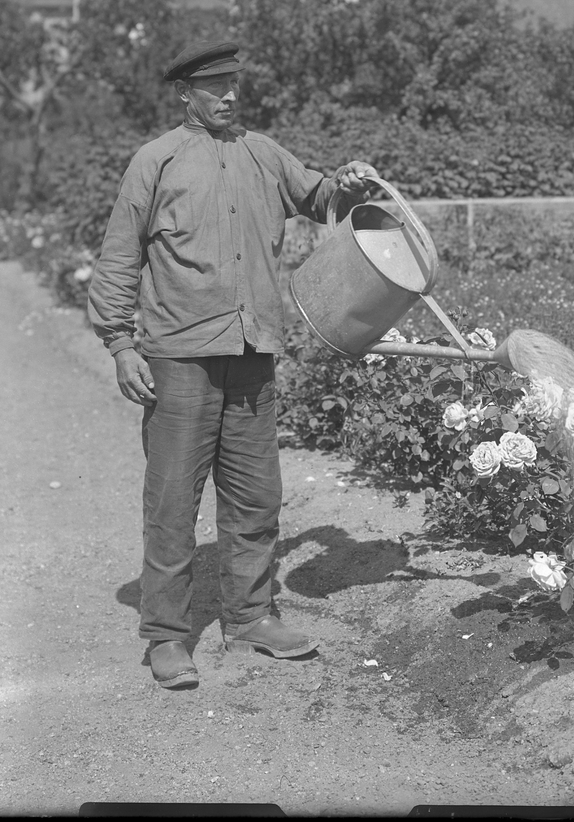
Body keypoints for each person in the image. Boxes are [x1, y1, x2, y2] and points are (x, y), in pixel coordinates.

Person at [88, 38, 378, 689]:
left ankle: (249, 616)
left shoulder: (264, 153)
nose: (229, 96)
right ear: (185, 92)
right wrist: (119, 343)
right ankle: (166, 636)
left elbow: (321, 199)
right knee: (172, 501)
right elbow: (116, 257)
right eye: (215, 86)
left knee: (255, 497)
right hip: (178, 359)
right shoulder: (155, 161)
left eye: (234, 85)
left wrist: (347, 183)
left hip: (252, 355)